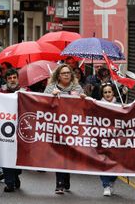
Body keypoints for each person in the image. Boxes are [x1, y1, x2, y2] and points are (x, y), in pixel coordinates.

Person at [44, 64, 85, 194]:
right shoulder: (51, 87)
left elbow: (84, 107)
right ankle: (59, 184)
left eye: (68, 73)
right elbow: (42, 102)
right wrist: (51, 95)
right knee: (59, 154)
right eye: (63, 73)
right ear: (58, 76)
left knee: (68, 155)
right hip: (57, 126)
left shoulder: (77, 88)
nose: (66, 75)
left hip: (72, 128)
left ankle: (65, 179)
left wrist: (83, 99)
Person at [0, 69, 28, 192]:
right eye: (9, 78)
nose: (12, 80)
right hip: (5, 129)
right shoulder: (0, 92)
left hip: (21, 129)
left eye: (14, 77)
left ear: (18, 78)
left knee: (18, 157)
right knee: (6, 156)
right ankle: (9, 183)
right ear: (6, 80)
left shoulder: (25, 92)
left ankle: (15, 176)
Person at [98, 82, 119, 196]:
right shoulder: (98, 104)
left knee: (116, 162)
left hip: (117, 140)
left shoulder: (120, 104)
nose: (107, 94)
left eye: (109, 92)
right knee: (103, 162)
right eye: (105, 92)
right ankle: (105, 185)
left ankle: (111, 181)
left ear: (113, 93)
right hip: (103, 138)